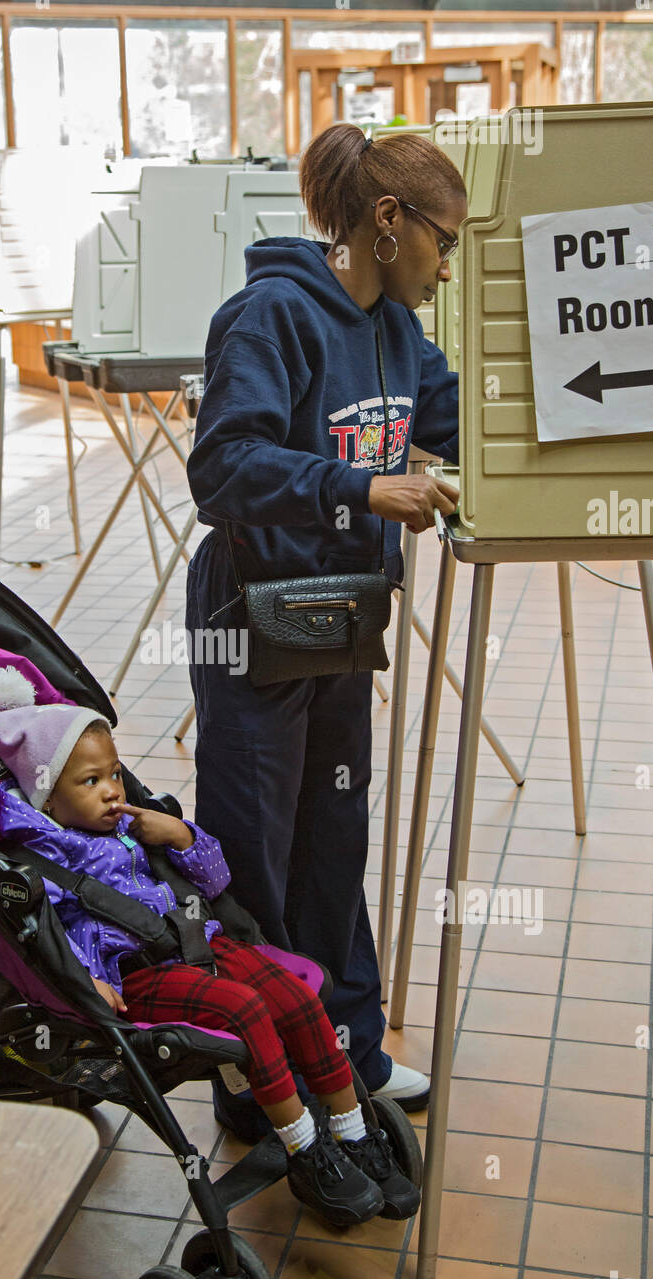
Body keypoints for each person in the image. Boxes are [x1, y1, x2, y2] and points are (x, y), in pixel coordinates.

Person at [184, 125, 466, 1140]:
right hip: (253, 617)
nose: (449, 263)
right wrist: (358, 484)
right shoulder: (268, 317)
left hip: (342, 611)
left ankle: (347, 1048)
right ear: (387, 223)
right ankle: (252, 1072)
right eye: (445, 238)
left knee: (333, 841)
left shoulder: (396, 328)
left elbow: (459, 414)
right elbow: (221, 467)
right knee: (253, 852)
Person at [0, 670, 420, 1228]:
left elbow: (214, 883)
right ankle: (306, 1150)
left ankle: (356, 1133)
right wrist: (82, 980)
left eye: (114, 773)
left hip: (205, 941)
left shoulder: (131, 828)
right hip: (135, 973)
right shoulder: (44, 862)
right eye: (90, 781)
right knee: (248, 1013)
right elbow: (54, 932)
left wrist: (183, 837)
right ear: (45, 798)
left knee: (299, 1000)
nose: (113, 789)